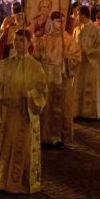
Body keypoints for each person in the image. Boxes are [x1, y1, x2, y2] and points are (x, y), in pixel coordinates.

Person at [0, 30, 47, 193]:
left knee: (22, 149)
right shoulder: (5, 64)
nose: (18, 44)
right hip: (8, 113)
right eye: (16, 40)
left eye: (22, 41)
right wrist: (1, 96)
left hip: (25, 113)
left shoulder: (36, 67)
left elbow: (42, 91)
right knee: (5, 147)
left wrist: (30, 96)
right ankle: (2, 180)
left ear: (29, 43)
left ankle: (20, 183)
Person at [34, 10, 80, 148]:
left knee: (59, 108)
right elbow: (36, 57)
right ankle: (44, 136)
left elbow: (77, 58)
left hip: (61, 77)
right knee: (46, 107)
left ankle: (58, 137)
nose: (60, 24)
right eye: (58, 21)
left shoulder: (69, 40)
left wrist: (68, 58)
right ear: (52, 22)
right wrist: (35, 46)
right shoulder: (44, 39)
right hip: (46, 76)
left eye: (62, 21)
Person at [72, 5, 100, 120]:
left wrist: (88, 51)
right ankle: (77, 111)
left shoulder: (96, 29)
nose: (77, 17)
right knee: (78, 86)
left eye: (79, 14)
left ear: (83, 15)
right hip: (79, 63)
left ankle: (90, 113)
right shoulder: (76, 30)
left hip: (91, 62)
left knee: (90, 86)